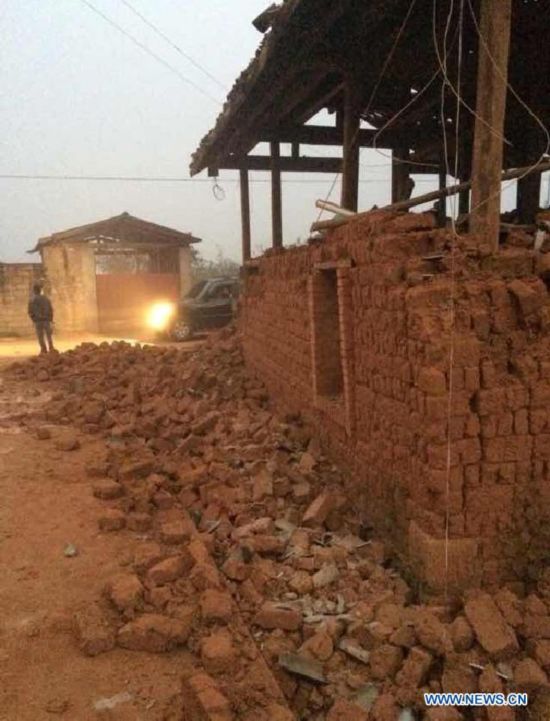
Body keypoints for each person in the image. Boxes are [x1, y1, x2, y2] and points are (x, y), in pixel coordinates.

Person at [28, 284, 55, 354]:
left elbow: (30, 311)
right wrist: (51, 319)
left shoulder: (32, 300)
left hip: (38, 321)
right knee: (49, 335)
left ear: (34, 291)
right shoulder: (46, 299)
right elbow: (51, 309)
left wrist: (33, 319)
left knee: (40, 336)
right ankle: (51, 348)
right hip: (46, 320)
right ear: (40, 290)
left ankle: (43, 349)